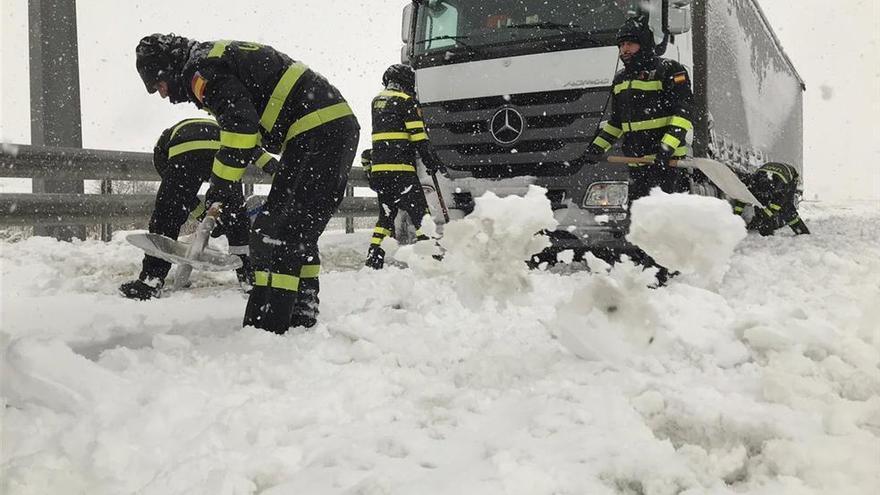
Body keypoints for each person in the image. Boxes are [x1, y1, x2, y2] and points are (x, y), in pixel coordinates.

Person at [136, 34, 359, 334]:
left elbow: (240, 125)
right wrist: (242, 176)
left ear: (167, 69)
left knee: (277, 231)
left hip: (317, 130)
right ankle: (300, 310)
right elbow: (247, 130)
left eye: (157, 85)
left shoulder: (200, 72)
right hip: (319, 128)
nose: (161, 94)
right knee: (291, 228)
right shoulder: (212, 61)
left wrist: (221, 183)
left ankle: (268, 326)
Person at [582, 16, 695, 283]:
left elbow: (683, 115)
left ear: (644, 44)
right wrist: (593, 150)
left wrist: (665, 149)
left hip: (665, 164)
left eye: (630, 44)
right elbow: (616, 124)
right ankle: (647, 266)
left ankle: (661, 270)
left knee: (662, 219)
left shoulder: (671, 71)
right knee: (640, 220)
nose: (624, 51)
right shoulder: (621, 80)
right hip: (637, 163)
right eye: (621, 46)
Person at [119, 118, 267, 300]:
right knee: (236, 218)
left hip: (186, 149)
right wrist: (212, 214)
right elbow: (200, 196)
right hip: (224, 148)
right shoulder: (207, 124)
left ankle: (151, 281)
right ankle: (249, 279)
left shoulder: (161, 153)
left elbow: (182, 197)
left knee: (167, 215)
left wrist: (182, 200)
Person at [364, 64, 446, 270]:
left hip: (380, 172)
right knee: (421, 216)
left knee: (385, 218)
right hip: (401, 172)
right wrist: (431, 161)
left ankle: (373, 259)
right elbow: (419, 137)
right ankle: (431, 260)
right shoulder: (405, 102)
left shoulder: (377, 101)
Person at [735, 161, 810, 235]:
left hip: (789, 176)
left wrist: (764, 215)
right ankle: (765, 227)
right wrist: (736, 216)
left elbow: (778, 203)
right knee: (761, 205)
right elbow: (742, 199)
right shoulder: (752, 183)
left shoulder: (780, 187)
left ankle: (801, 230)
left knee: (786, 208)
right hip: (769, 171)